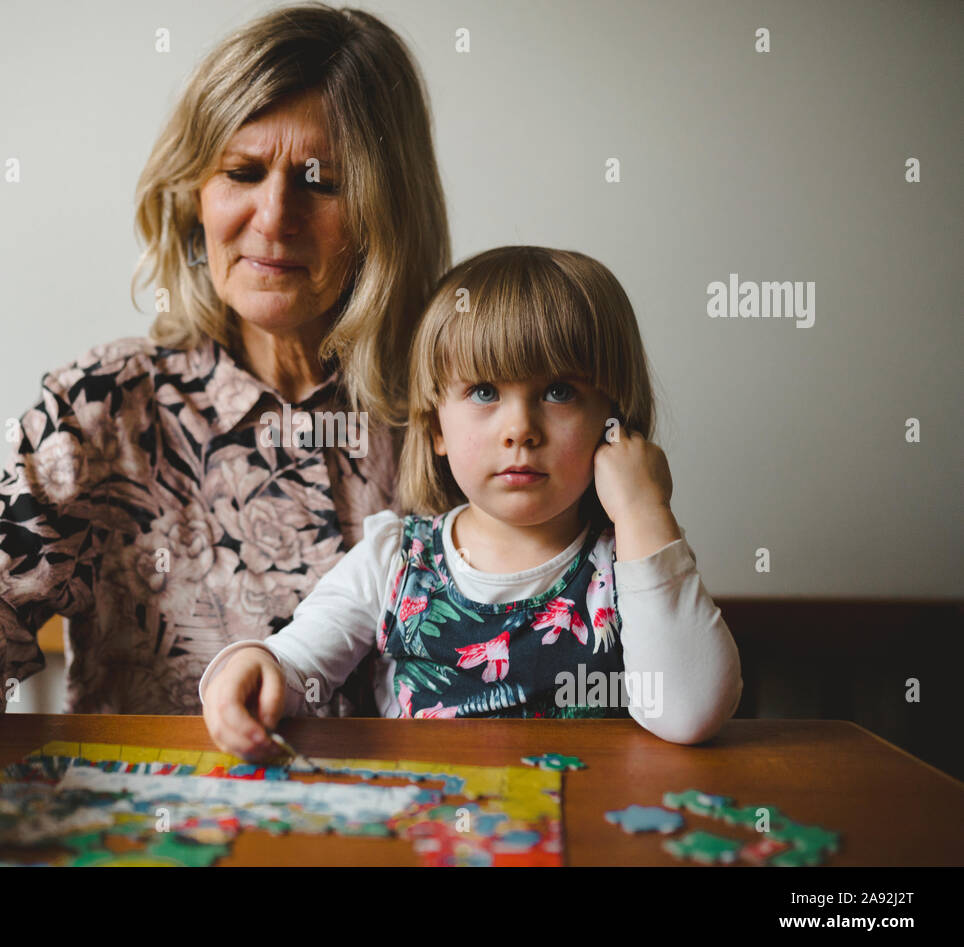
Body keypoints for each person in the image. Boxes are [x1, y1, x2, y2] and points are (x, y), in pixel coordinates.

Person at [0, 3, 450, 845]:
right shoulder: (110, 402)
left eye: (322, 181)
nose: (275, 217)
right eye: (242, 172)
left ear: (387, 208)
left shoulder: (463, 405)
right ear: (195, 195)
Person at [201, 246, 743, 760]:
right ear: (435, 426)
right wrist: (253, 663)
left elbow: (690, 712)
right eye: (484, 392)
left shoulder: (625, 563)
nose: (520, 430)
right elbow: (297, 663)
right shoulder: (394, 557)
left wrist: (644, 512)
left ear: (613, 422)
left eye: (559, 392)